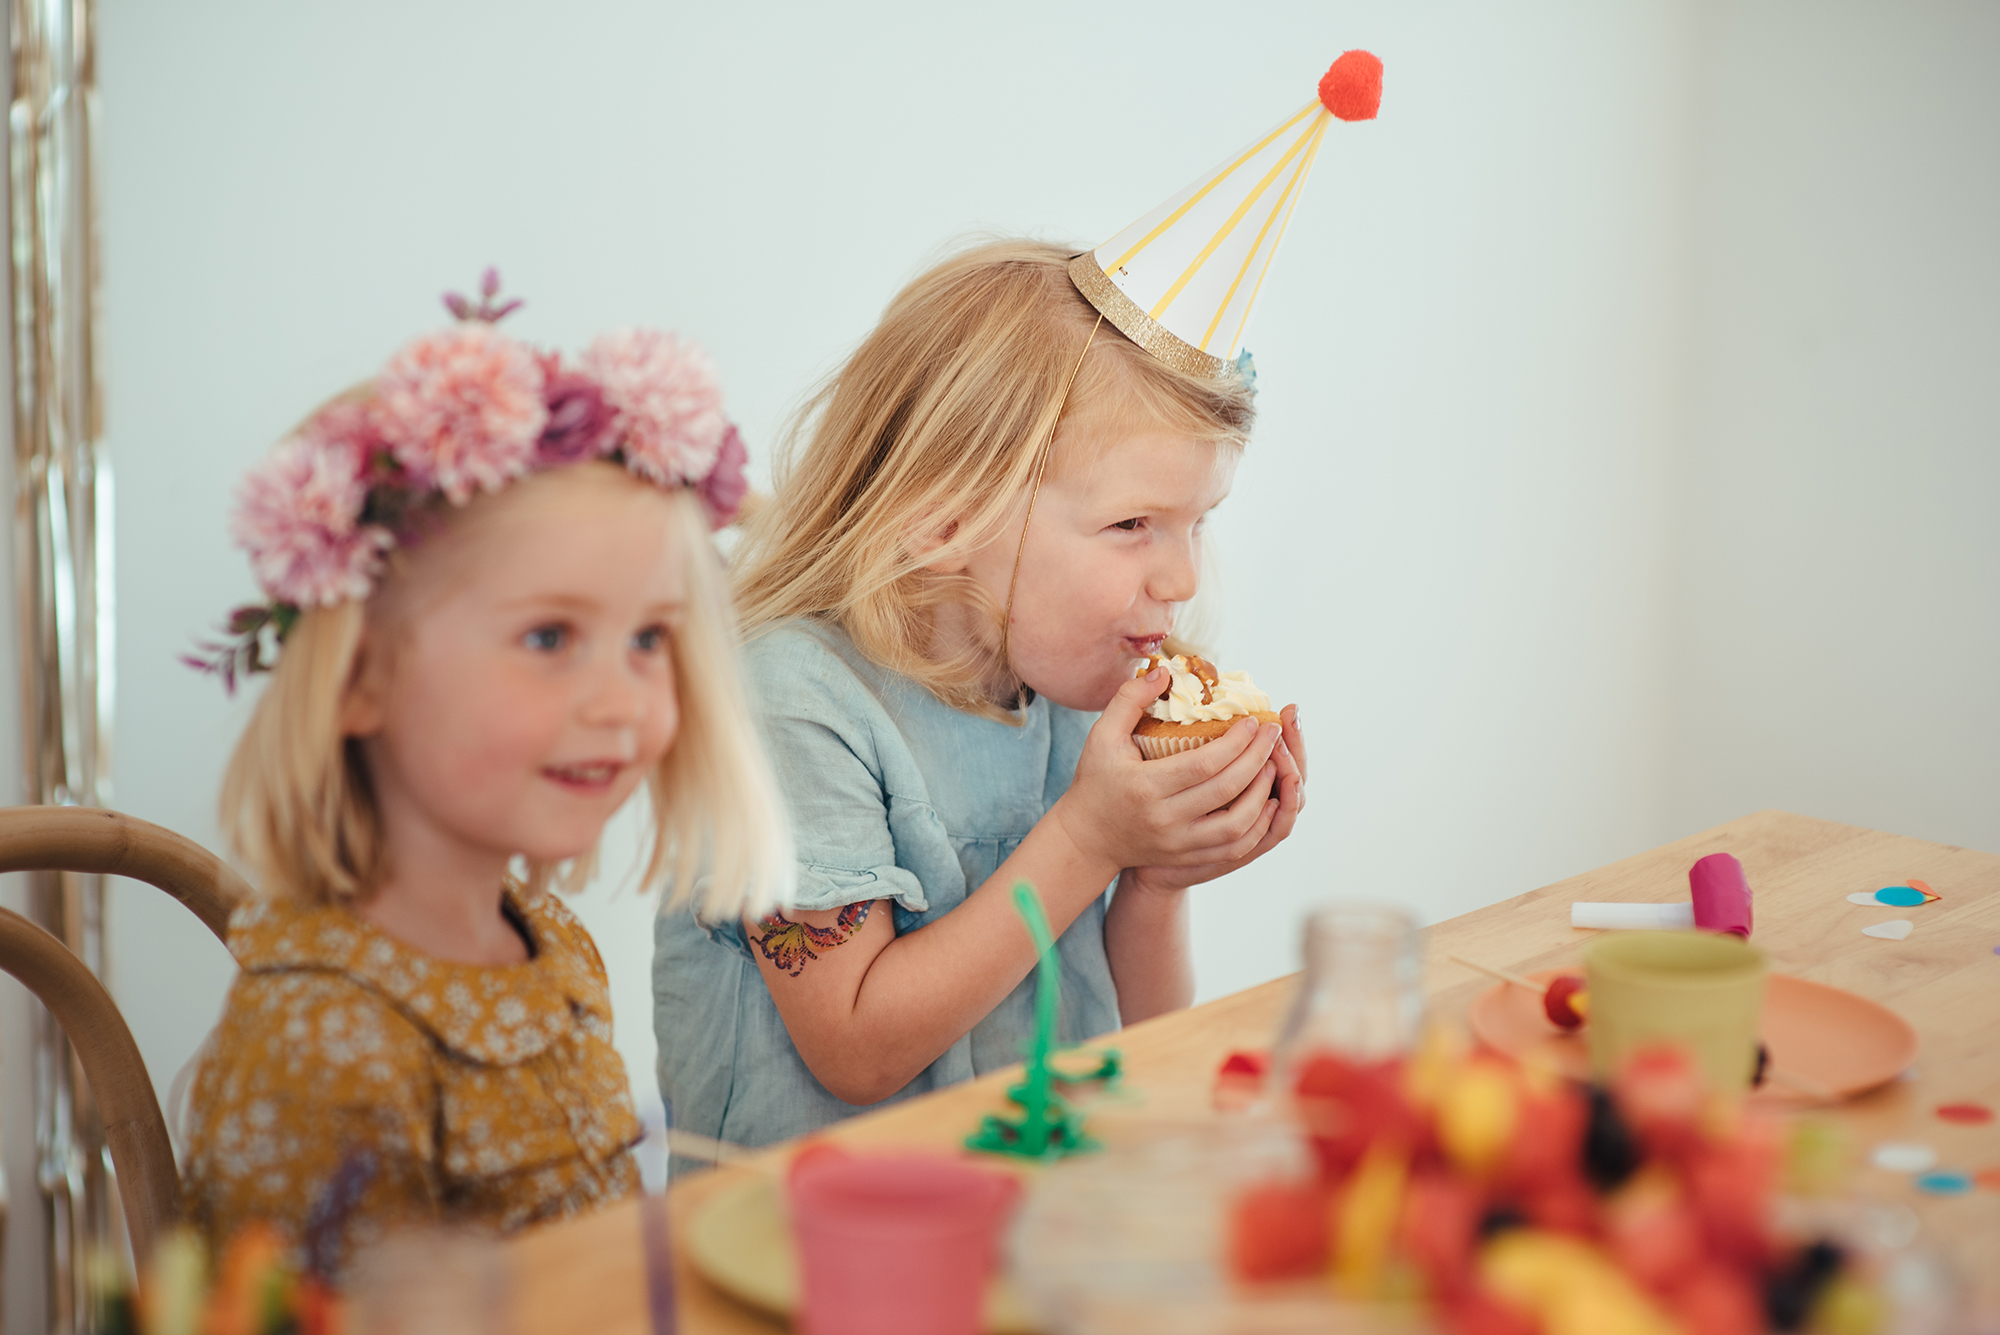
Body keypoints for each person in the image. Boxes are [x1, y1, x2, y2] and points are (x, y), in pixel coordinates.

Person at [180, 276, 788, 1274]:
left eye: (647, 638)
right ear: (361, 676)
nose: (621, 701)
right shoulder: (321, 1047)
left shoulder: (547, 942)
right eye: (549, 637)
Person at [651, 239, 1306, 1155]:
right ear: (947, 519)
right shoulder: (795, 701)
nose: (1183, 577)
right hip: (803, 1234)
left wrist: (1157, 875)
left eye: (1197, 523)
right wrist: (1089, 838)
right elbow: (854, 1046)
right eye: (1133, 525)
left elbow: (1144, 1031)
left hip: (1025, 1203)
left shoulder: (1083, 688)